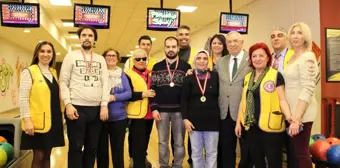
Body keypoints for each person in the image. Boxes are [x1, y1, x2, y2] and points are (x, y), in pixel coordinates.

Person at [59, 25, 110, 168]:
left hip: (96, 110)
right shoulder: (71, 56)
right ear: (80, 38)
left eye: (90, 35)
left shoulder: (100, 59)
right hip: (76, 109)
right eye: (84, 35)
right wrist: (68, 104)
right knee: (76, 147)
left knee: (92, 148)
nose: (87, 38)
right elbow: (63, 81)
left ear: (94, 40)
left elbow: (106, 83)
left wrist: (104, 105)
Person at [235, 42, 292, 168]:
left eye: (261, 55)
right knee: (258, 161)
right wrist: (238, 123)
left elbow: (282, 100)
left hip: (271, 128)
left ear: (268, 57)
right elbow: (242, 101)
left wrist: (289, 118)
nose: (257, 59)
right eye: (254, 56)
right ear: (250, 59)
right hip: (251, 127)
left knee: (274, 162)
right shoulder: (247, 77)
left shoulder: (275, 75)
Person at [20, 41, 65, 168]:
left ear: (53, 55)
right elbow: (23, 98)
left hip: (53, 120)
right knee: (38, 156)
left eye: (49, 51)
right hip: (37, 122)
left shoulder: (53, 72)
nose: (46, 54)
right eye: (42, 51)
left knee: (47, 155)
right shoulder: (29, 71)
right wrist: (27, 120)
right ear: (37, 54)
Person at [151, 36, 191, 168]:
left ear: (178, 48)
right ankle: (164, 165)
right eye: (168, 47)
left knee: (179, 142)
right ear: (164, 48)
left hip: (179, 110)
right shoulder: (157, 67)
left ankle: (178, 165)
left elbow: (189, 90)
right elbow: (153, 89)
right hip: (161, 111)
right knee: (162, 141)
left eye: (173, 47)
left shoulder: (186, 67)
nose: (171, 49)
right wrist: (154, 108)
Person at [215, 31, 254, 168]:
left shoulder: (251, 60)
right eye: (229, 41)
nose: (232, 44)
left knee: (246, 149)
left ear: (242, 42)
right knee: (226, 149)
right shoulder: (221, 62)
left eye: (235, 41)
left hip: (245, 113)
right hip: (224, 112)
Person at [284, 22, 319, 168]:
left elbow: (308, 88)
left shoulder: (308, 56)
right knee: (296, 152)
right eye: (293, 33)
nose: (295, 36)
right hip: (292, 113)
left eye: (299, 33)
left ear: (306, 37)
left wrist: (297, 119)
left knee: (302, 153)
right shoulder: (292, 57)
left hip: (302, 113)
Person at [181, 50, 220, 168]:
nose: (202, 61)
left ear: (208, 61)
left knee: (212, 153)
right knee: (196, 153)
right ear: (195, 60)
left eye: (204, 58)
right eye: (199, 58)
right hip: (194, 122)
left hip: (212, 122)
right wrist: (185, 119)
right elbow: (184, 100)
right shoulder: (188, 78)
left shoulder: (215, 76)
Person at [96, 48, 132, 168]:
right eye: (108, 55)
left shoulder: (122, 75)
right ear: (103, 58)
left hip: (119, 118)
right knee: (101, 150)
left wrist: (114, 97)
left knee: (118, 150)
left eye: (113, 56)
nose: (111, 58)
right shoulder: (98, 73)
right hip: (101, 117)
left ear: (117, 59)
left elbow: (128, 93)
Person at [124, 35, 156, 168]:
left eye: (144, 59)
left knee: (145, 141)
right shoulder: (127, 74)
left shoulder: (150, 73)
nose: (141, 61)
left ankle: (142, 160)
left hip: (149, 113)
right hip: (136, 114)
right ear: (133, 60)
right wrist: (143, 94)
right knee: (137, 142)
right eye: (138, 59)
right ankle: (136, 162)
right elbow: (127, 94)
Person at [270, 27, 297, 168]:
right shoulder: (268, 58)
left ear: (286, 39)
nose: (276, 38)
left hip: (290, 108)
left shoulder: (294, 56)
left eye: (280, 35)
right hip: (271, 110)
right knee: (274, 149)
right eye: (273, 36)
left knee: (293, 148)